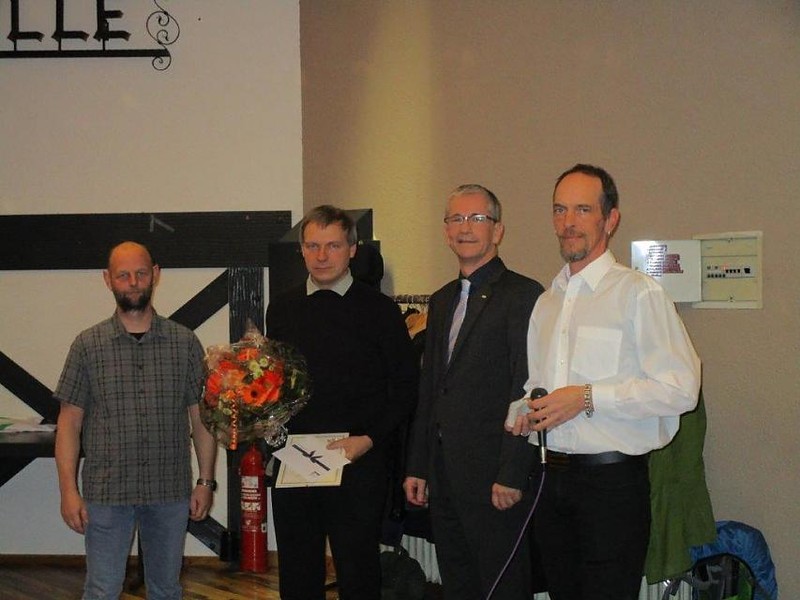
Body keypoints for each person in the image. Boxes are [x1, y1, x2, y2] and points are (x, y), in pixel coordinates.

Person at [506, 164, 701, 600]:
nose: (568, 222)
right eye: (559, 210)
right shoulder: (546, 302)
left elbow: (681, 389)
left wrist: (588, 397)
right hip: (549, 480)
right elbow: (538, 383)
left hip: (611, 487)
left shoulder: (639, 293)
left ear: (610, 220)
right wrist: (524, 409)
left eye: (582, 210)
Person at [265, 205, 419, 599]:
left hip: (357, 461)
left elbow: (405, 388)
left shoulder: (380, 310)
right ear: (301, 250)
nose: (321, 256)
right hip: (295, 460)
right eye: (312, 246)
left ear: (352, 249)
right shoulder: (281, 308)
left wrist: (368, 439)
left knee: (358, 573)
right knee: (297, 573)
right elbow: (273, 385)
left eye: (332, 245)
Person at [54, 241, 218, 600]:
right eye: (123, 275)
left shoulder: (185, 343)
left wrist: (206, 481)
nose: (133, 282)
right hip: (107, 491)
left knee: (166, 589)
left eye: (141, 273)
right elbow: (69, 423)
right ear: (107, 279)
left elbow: (201, 417)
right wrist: (68, 491)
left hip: (169, 489)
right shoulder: (87, 346)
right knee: (101, 590)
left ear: (155, 275)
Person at [404, 184, 544, 600]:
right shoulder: (441, 300)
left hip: (495, 478)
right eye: (456, 219)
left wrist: (512, 473)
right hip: (445, 475)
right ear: (446, 231)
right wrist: (418, 465)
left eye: (477, 218)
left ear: (497, 230)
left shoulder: (523, 296)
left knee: (503, 588)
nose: (465, 228)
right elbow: (431, 390)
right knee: (458, 583)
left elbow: (527, 389)